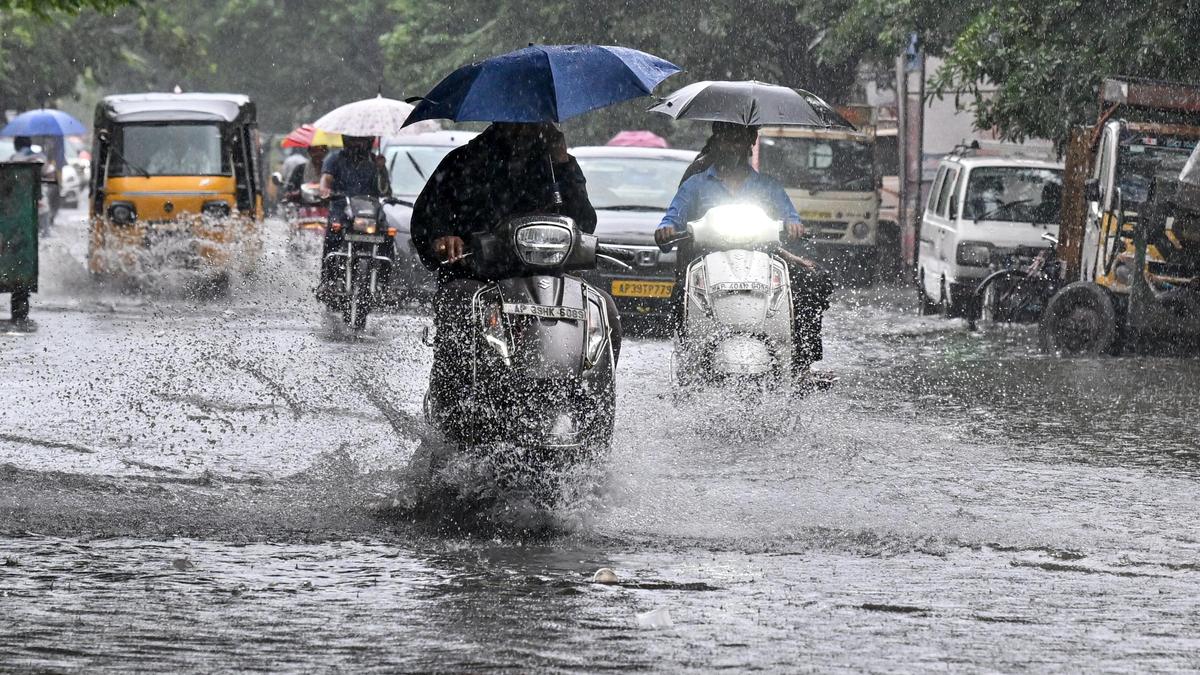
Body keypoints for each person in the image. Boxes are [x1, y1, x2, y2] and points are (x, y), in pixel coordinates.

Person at [409, 122, 618, 426]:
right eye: (522, 119)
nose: (531, 125)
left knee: (607, 311)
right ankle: (451, 410)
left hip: (550, 279)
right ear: (503, 118)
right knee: (458, 303)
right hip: (479, 277)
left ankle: (593, 416)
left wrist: (563, 162)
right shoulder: (462, 162)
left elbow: (584, 221)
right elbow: (426, 220)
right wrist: (443, 238)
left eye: (539, 117)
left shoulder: (554, 166)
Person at [654, 121, 834, 375]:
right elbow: (671, 221)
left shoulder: (768, 186)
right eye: (727, 139)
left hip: (760, 262)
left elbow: (791, 217)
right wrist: (667, 230)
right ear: (716, 140)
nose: (732, 147)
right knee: (680, 295)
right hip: (708, 263)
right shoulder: (695, 184)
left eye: (738, 140)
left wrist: (794, 226)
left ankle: (800, 362)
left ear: (751, 141)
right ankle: (689, 360)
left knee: (813, 280)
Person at [316, 135, 391, 295]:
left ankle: (384, 284)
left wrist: (381, 170)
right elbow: (326, 179)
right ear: (346, 139)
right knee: (333, 235)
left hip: (370, 211)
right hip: (341, 208)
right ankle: (327, 280)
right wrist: (325, 190)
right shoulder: (334, 158)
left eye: (363, 139)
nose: (359, 143)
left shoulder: (375, 161)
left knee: (387, 235)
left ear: (370, 141)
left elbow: (385, 191)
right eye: (355, 139)